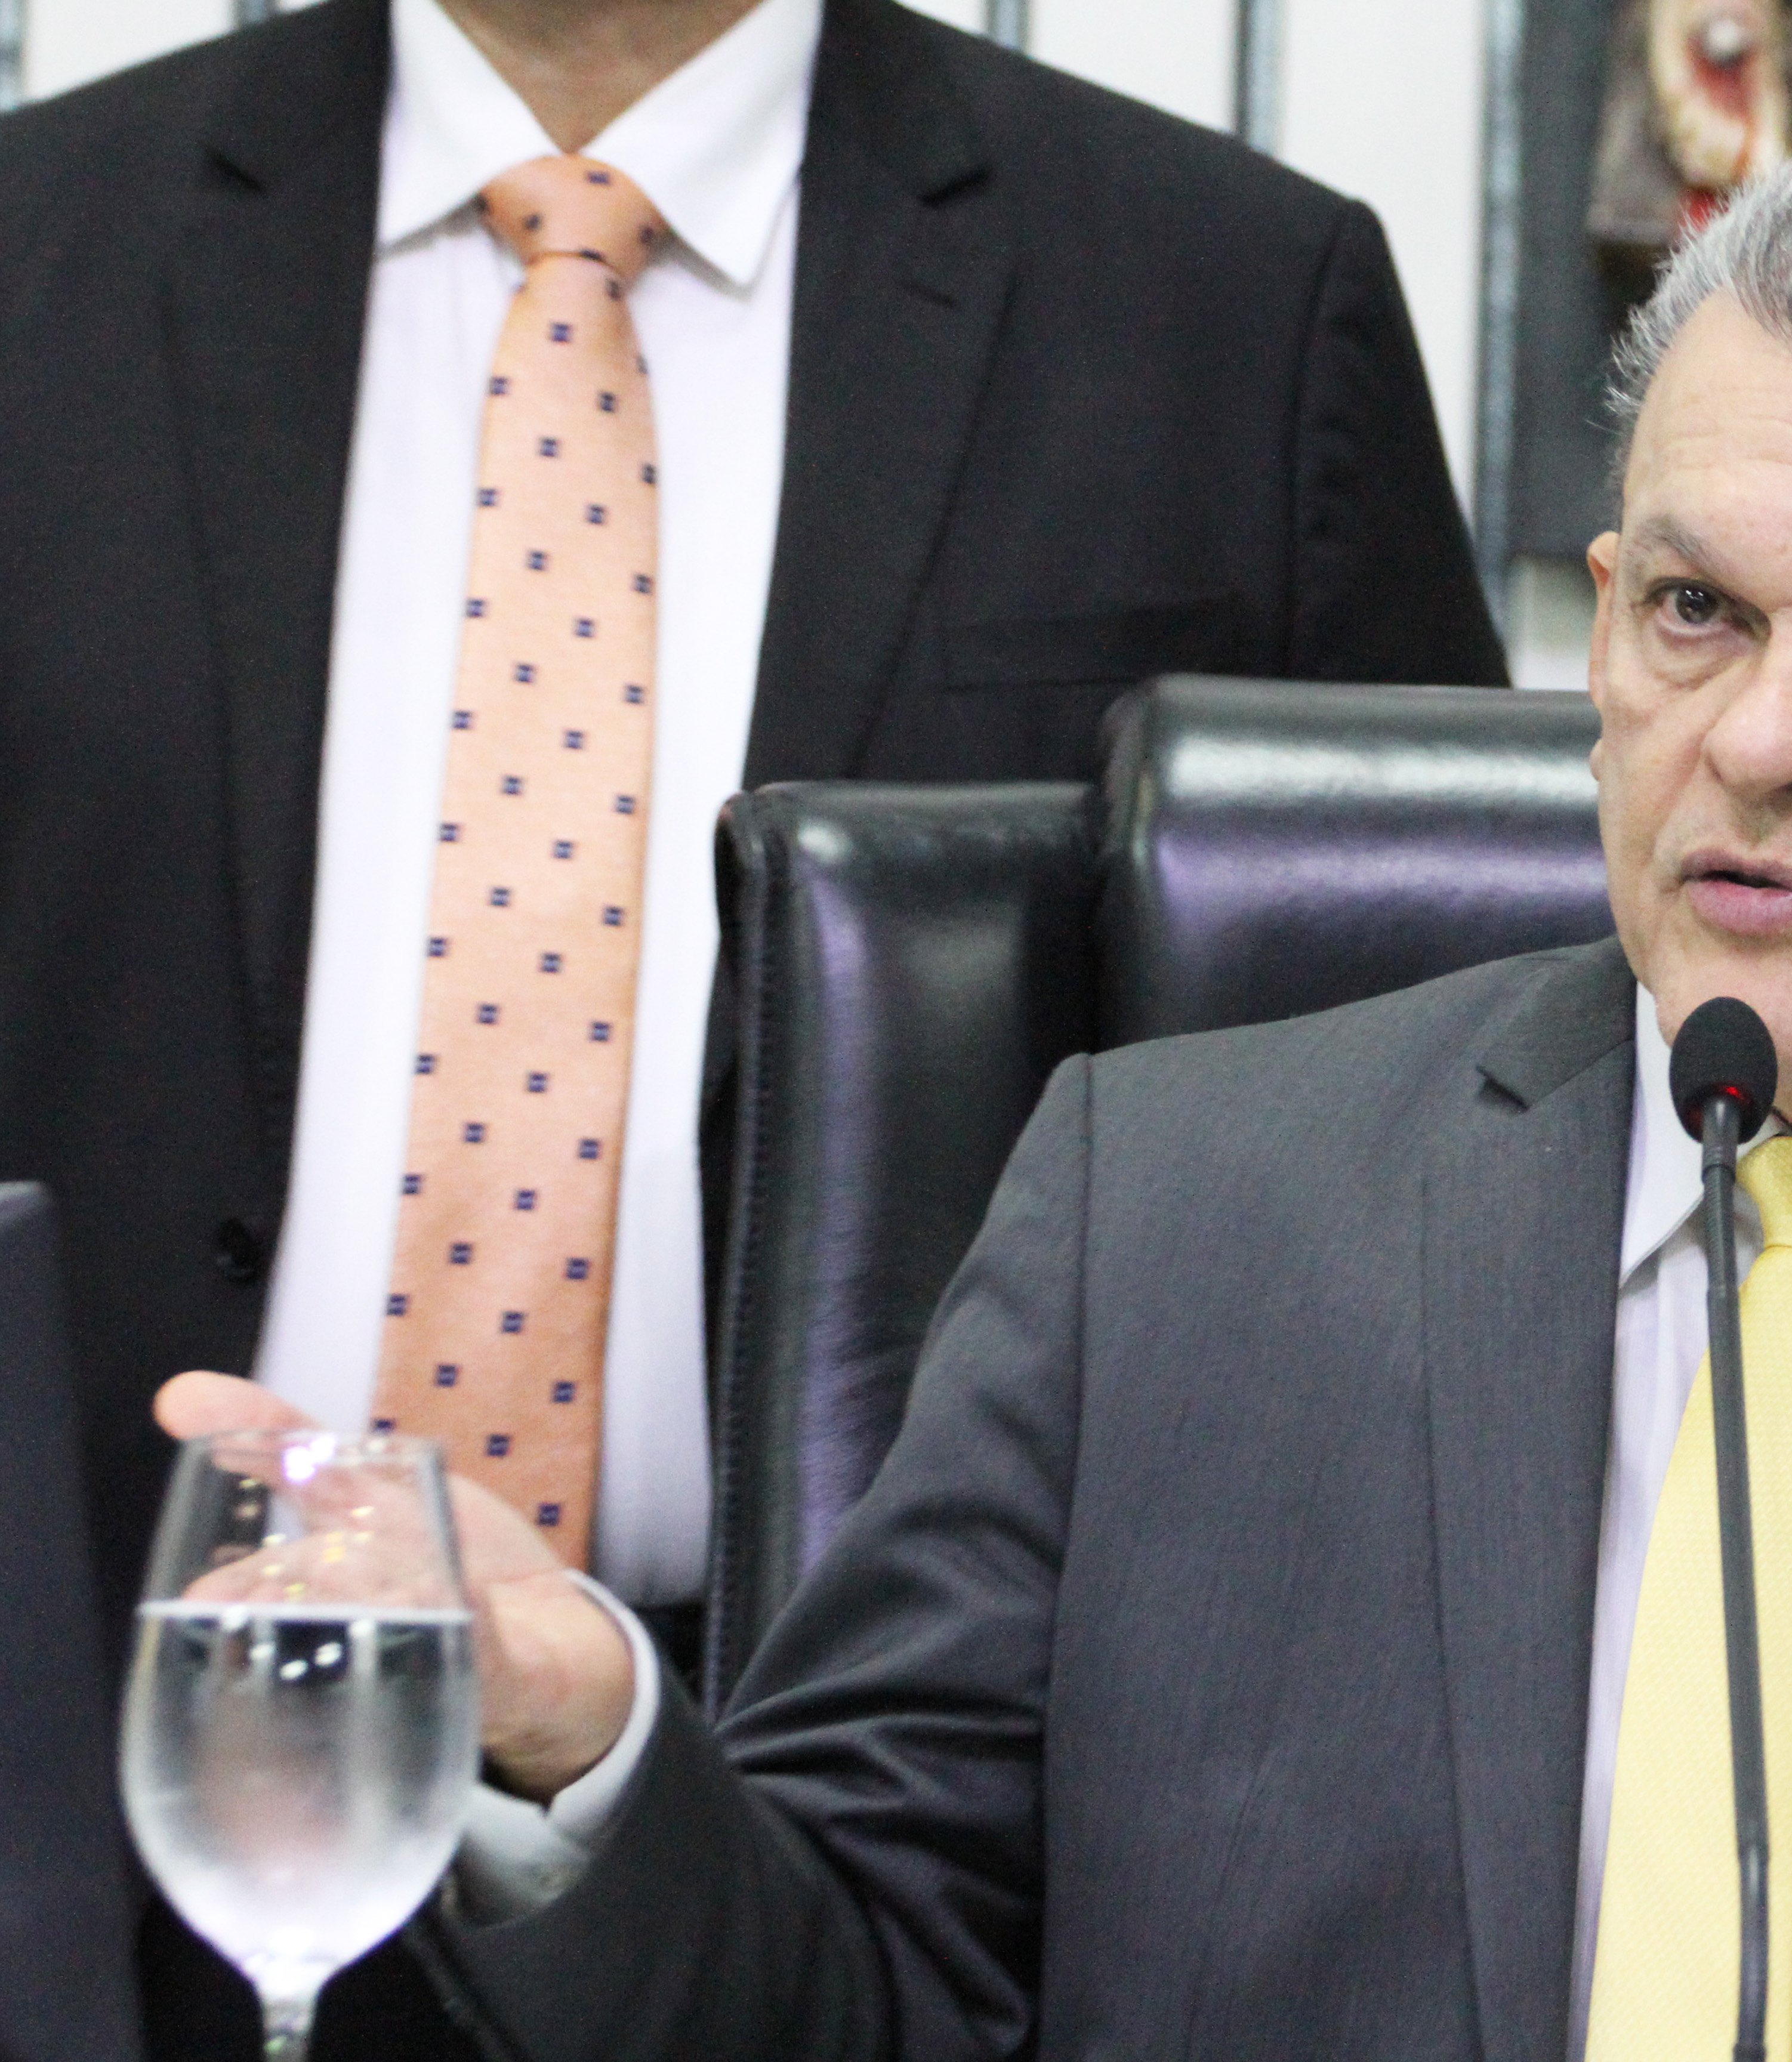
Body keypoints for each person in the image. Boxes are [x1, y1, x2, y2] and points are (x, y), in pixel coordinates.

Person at [162, 144, 1792, 2061]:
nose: (1764, 741)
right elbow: (856, 2003)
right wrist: (599, 1741)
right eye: (1698, 610)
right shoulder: (1163, 1238)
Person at [0, 0, 1501, 2046]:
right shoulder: (40, 249)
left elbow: (1438, 1123)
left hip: (881, 1857)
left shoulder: (1225, 308)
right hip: (120, 1778)